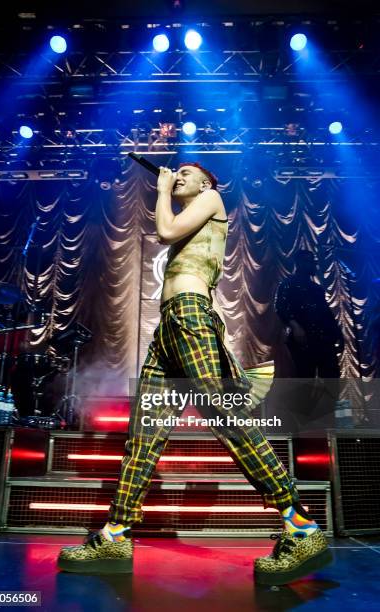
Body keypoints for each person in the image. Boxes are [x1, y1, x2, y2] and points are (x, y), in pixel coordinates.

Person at [57, 164, 332, 585]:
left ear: (207, 183)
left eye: (187, 172)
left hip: (189, 317)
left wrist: (163, 188)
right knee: (144, 436)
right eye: (177, 172)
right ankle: (115, 534)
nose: (179, 175)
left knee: (227, 418)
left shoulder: (212, 199)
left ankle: (301, 526)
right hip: (170, 325)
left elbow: (164, 232)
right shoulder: (197, 215)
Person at [274, 250, 344, 430]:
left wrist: (338, 335)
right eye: (310, 262)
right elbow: (280, 306)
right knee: (305, 377)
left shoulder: (316, 288)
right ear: (301, 263)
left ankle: (326, 417)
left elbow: (326, 313)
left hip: (324, 338)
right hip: (303, 339)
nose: (314, 265)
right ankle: (303, 422)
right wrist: (295, 326)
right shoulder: (288, 284)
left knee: (332, 376)